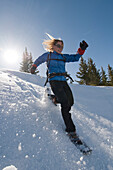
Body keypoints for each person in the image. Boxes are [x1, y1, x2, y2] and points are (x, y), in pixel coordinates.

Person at [31, 35, 88, 137]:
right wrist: (34, 66)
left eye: (62, 46)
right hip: (54, 81)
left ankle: (55, 99)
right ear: (53, 46)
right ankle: (71, 130)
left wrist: (81, 50)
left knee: (70, 101)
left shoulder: (63, 57)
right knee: (65, 103)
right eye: (58, 45)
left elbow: (75, 58)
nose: (60, 48)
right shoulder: (48, 55)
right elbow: (39, 60)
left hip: (63, 81)